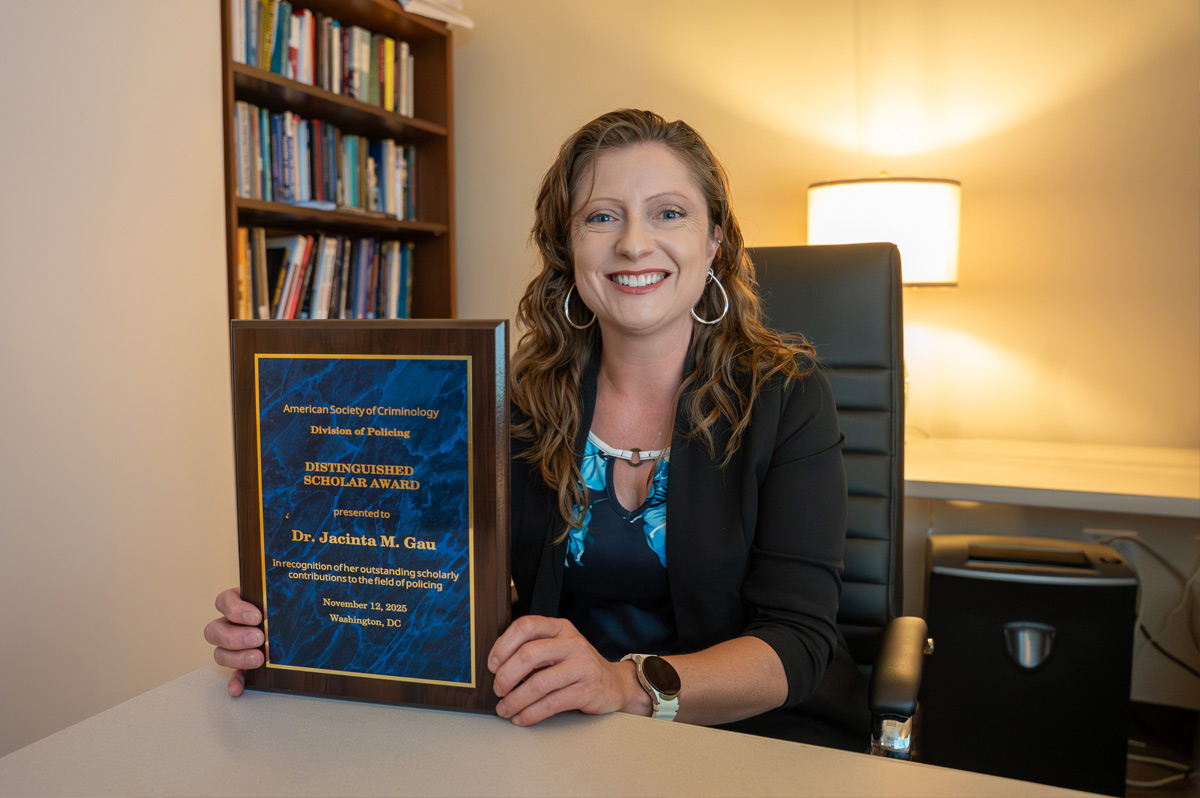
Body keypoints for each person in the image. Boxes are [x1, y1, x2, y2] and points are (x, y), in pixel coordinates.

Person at [206, 109, 867, 749]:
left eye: (669, 212)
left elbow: (795, 640)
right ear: (567, 247)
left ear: (714, 241)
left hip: (756, 737)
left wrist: (624, 683)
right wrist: (291, 620)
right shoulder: (515, 400)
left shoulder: (786, 396)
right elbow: (412, 567)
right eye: (602, 217)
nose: (634, 243)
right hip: (565, 729)